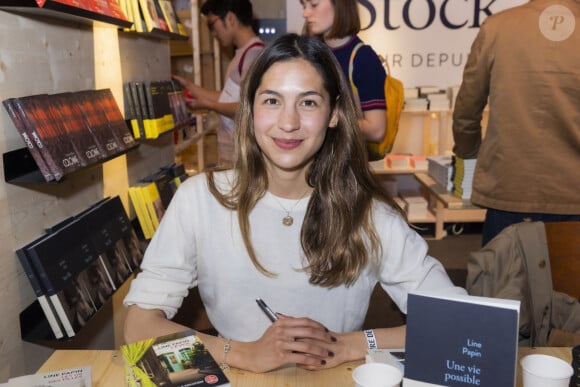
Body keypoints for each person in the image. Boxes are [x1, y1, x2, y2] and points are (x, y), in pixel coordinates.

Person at [124, 33, 463, 373]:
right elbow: (137, 329)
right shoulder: (199, 198)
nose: (288, 123)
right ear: (251, 109)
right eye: (272, 101)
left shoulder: (371, 214)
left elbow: (460, 321)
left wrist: (350, 344)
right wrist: (242, 353)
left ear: (334, 114)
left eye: (308, 102)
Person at [452, 0, 580, 246]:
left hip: (509, 185)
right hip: (574, 191)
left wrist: (468, 153)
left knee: (503, 280)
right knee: (571, 282)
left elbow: (467, 110)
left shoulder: (498, 27)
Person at [173, 0, 264, 167]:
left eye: (212, 25)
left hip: (242, 159)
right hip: (233, 155)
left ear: (230, 18)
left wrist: (207, 104)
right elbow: (228, 98)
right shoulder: (242, 54)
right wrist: (191, 87)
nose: (213, 33)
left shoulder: (254, 55)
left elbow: (247, 108)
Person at [301, 0, 386, 159]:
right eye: (303, 6)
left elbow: (377, 130)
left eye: (314, 5)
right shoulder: (312, 53)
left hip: (344, 166)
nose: (305, 13)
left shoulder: (363, 58)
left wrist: (326, 117)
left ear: (339, 5)